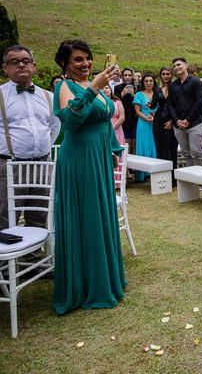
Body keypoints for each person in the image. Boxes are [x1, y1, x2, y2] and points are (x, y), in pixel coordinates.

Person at [52, 39, 126, 315]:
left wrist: (113, 148)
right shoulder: (64, 87)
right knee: (87, 217)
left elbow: (106, 120)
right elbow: (71, 121)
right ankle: (86, 285)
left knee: (101, 214)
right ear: (65, 64)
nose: (85, 64)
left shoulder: (92, 86)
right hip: (80, 158)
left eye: (87, 58)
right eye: (78, 60)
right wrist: (94, 87)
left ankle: (107, 278)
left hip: (99, 157)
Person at [0, 45, 61, 230]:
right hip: (9, 165)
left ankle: (33, 255)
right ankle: (5, 258)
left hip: (42, 164)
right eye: (14, 61)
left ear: (33, 66)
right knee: (5, 215)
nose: (21, 65)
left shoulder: (48, 96)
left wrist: (42, 149)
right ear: (5, 68)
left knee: (39, 214)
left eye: (25, 61)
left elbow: (55, 126)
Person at [168, 58, 202, 167]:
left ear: (186, 66)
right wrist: (176, 120)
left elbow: (199, 102)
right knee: (186, 153)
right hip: (178, 125)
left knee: (196, 153)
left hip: (195, 123)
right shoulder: (173, 85)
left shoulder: (196, 82)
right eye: (174, 66)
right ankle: (190, 181)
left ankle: (200, 181)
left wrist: (188, 120)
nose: (176, 67)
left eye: (178, 64)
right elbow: (170, 104)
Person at [150, 67, 178, 171]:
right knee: (160, 146)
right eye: (163, 74)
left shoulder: (176, 87)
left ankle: (172, 177)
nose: (166, 76)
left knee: (171, 148)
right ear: (160, 76)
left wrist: (172, 121)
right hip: (158, 120)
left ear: (172, 75)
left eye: (168, 74)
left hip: (172, 118)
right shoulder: (157, 89)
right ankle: (161, 174)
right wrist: (150, 104)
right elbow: (153, 105)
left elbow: (179, 106)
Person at [133, 73, 158, 180]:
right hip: (143, 124)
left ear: (154, 82)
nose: (148, 83)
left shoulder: (157, 94)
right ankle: (143, 174)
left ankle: (154, 171)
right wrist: (147, 119)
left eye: (150, 81)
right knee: (144, 146)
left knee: (154, 146)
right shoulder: (139, 94)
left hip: (156, 123)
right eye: (146, 81)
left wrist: (155, 118)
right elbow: (137, 111)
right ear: (143, 83)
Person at [114, 67, 138, 155]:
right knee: (126, 142)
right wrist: (122, 94)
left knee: (134, 143)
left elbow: (140, 103)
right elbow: (115, 102)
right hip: (124, 118)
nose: (127, 77)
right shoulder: (118, 87)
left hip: (135, 117)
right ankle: (126, 165)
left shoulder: (137, 87)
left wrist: (134, 95)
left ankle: (134, 167)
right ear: (122, 76)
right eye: (125, 75)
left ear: (132, 76)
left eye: (129, 75)